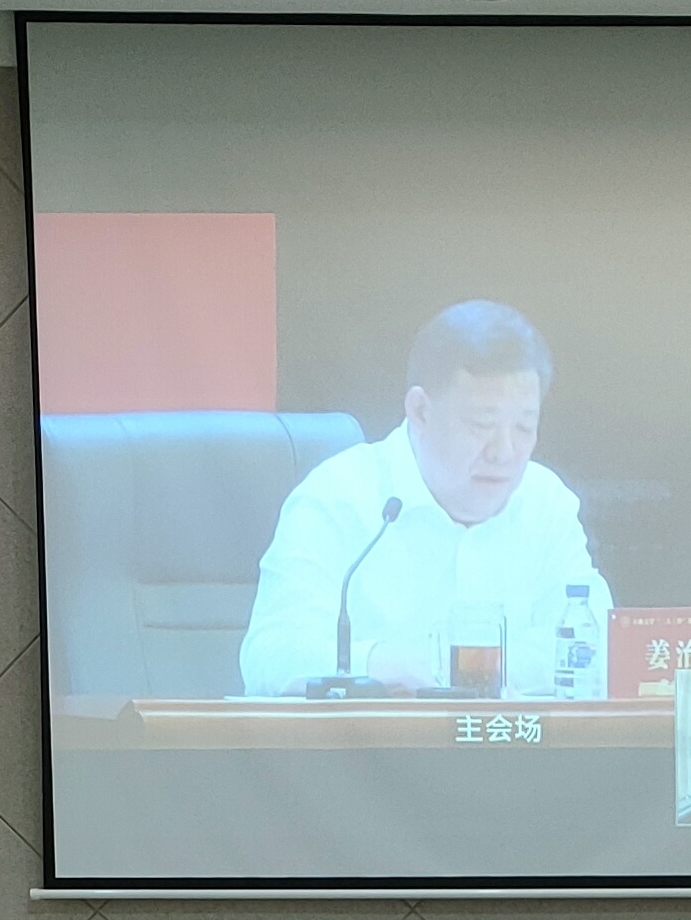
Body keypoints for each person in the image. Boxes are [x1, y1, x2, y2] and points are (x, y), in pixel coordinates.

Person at [236, 300, 611, 700]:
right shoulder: (339, 496)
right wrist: (380, 663)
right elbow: (273, 656)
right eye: (482, 424)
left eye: (523, 427)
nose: (504, 452)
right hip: (372, 742)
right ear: (420, 411)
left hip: (510, 742)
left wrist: (441, 667)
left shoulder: (545, 502)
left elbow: (599, 644)